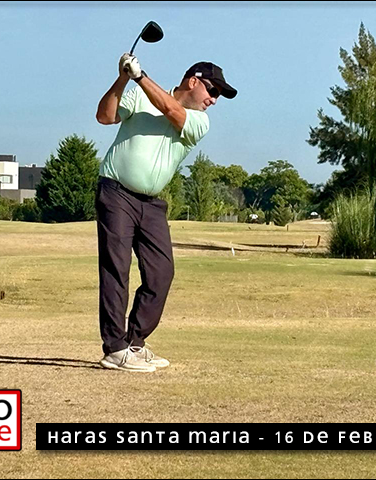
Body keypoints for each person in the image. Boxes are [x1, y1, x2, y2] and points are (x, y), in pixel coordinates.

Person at [95, 54, 237, 372]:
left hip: (152, 204)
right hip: (116, 193)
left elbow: (172, 111)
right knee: (116, 270)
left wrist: (140, 76)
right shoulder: (137, 95)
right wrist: (123, 79)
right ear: (193, 81)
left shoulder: (199, 121)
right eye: (213, 91)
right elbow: (104, 117)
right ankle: (115, 349)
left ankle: (135, 341)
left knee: (161, 272)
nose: (214, 100)